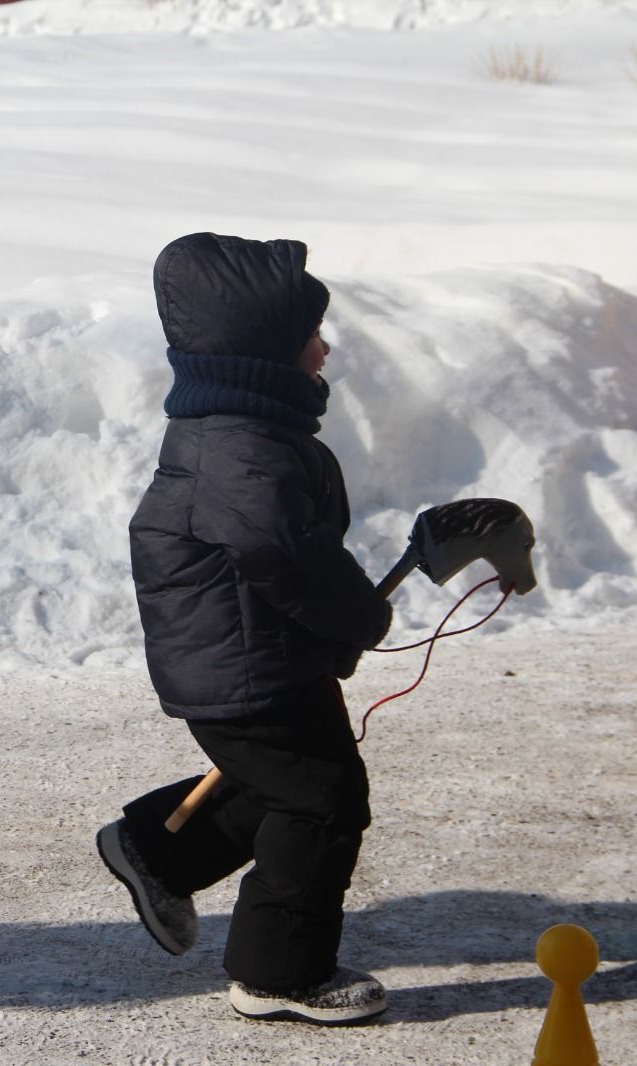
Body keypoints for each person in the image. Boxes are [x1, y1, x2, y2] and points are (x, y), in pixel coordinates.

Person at [97, 232, 393, 1025]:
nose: (324, 349)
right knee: (322, 804)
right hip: (243, 667)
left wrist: (327, 632)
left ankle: (157, 846)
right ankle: (279, 974)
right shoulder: (238, 446)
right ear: (264, 350)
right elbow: (282, 553)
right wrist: (358, 615)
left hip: (255, 657)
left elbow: (283, 557)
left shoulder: (243, 432)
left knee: (290, 784)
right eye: (309, 336)